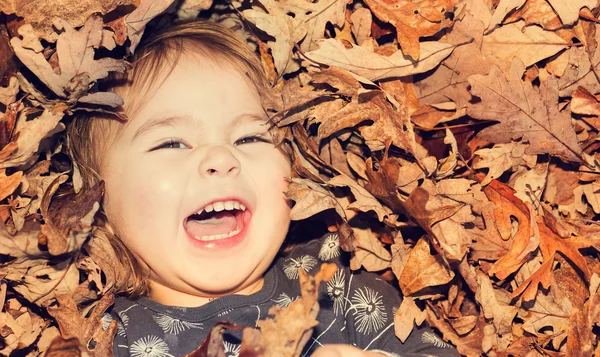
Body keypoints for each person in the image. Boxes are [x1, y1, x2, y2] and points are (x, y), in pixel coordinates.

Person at [67, 18, 461, 357]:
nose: (221, 159)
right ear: (95, 205)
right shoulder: (104, 337)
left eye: (249, 139)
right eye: (171, 143)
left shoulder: (334, 280)